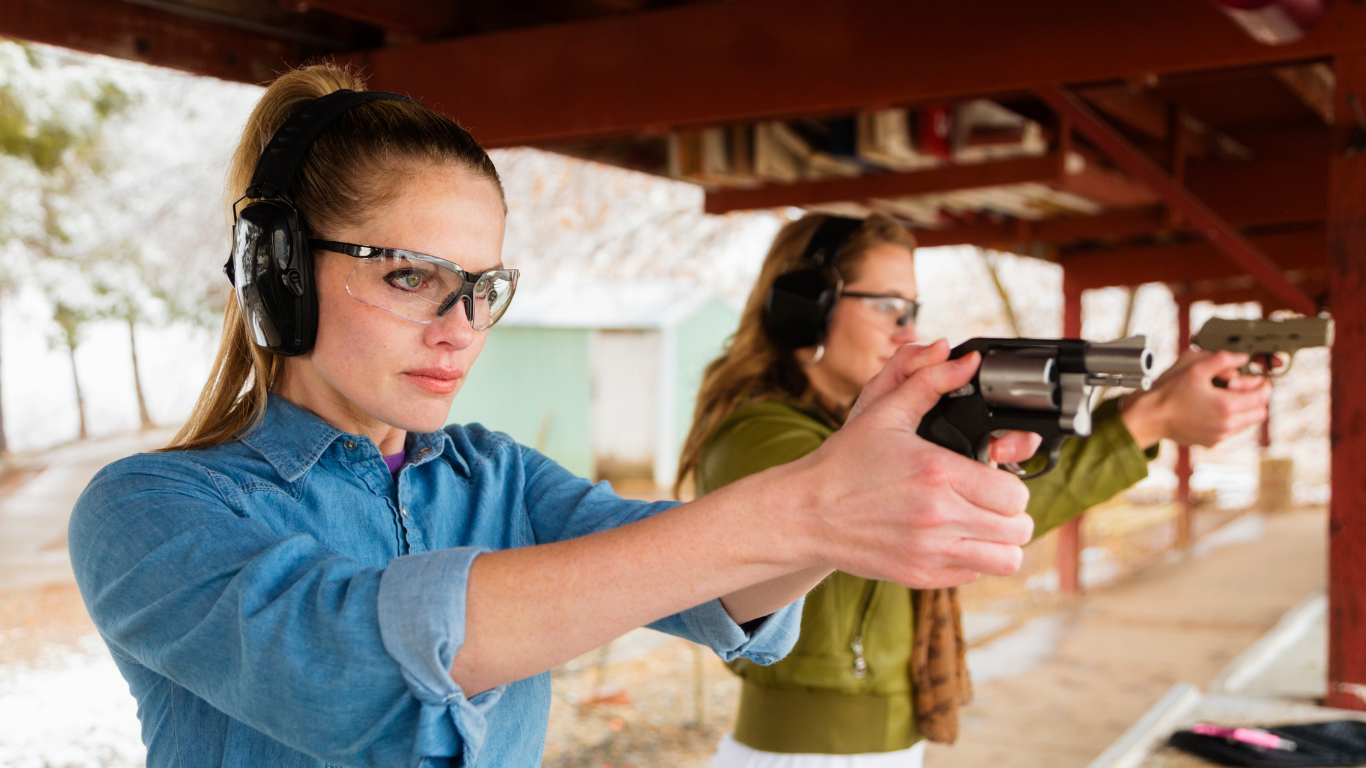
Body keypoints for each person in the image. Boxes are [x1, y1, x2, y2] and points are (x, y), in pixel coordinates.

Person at [67, 67, 1052, 768]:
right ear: (278, 274)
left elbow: (711, 583)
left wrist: (851, 495)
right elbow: (355, 664)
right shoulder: (145, 511)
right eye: (410, 277)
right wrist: (807, 506)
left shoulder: (496, 477)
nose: (460, 330)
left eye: (481, 288)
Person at [678, 213, 1272, 768]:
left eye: (912, 308)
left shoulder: (859, 432)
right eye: (887, 306)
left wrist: (1149, 411)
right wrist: (1149, 419)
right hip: (806, 754)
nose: (909, 329)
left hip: (882, 747)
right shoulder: (757, 434)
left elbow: (982, 507)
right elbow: (926, 515)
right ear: (804, 309)